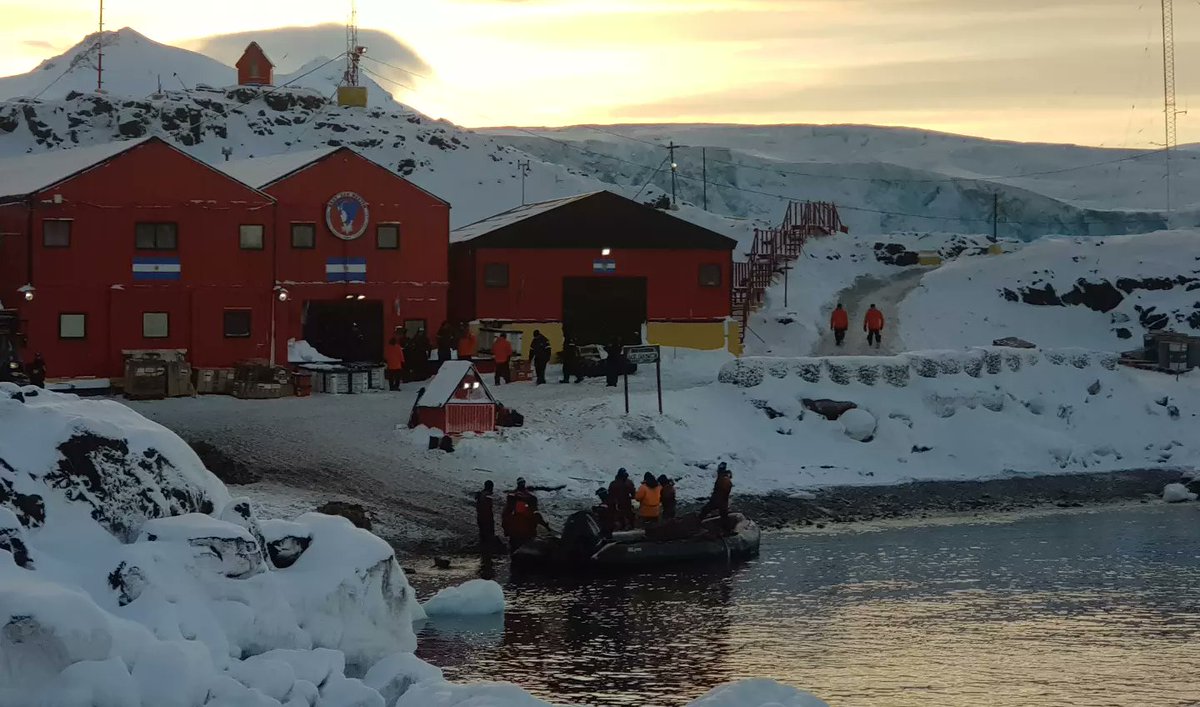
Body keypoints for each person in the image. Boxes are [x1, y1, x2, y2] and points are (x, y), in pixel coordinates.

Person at [502, 477, 551, 553]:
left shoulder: (512, 497)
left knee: (514, 553)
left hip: (515, 529)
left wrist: (506, 529)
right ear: (524, 484)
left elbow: (505, 514)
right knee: (528, 553)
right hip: (528, 530)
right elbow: (536, 515)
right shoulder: (531, 498)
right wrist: (546, 526)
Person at [699, 462, 734, 534]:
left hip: (719, 501)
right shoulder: (722, 477)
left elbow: (724, 490)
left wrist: (718, 497)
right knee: (722, 515)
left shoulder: (724, 479)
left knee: (707, 511)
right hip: (718, 500)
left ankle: (728, 531)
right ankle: (727, 530)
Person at [474, 480, 497, 553]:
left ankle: (484, 553)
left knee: (483, 537)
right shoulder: (487, 496)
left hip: (480, 518)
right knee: (488, 537)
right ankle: (487, 553)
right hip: (486, 519)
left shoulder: (481, 494)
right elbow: (487, 509)